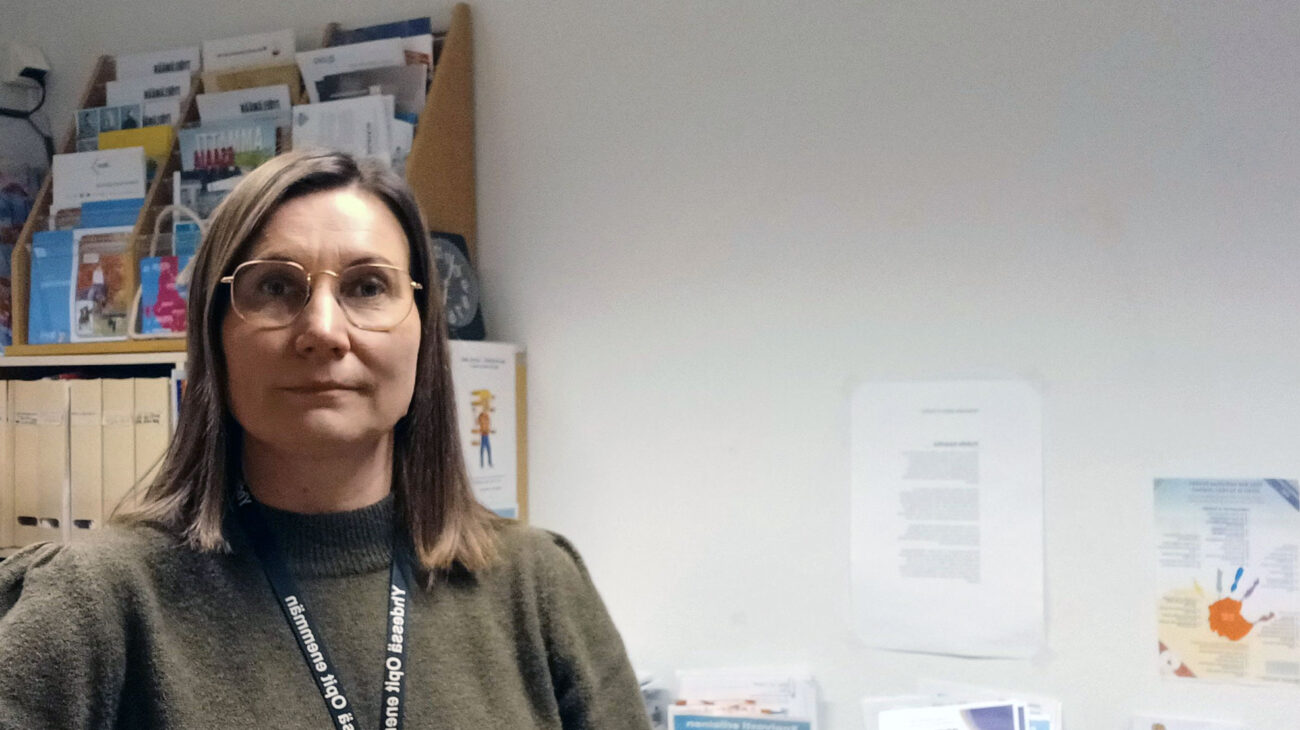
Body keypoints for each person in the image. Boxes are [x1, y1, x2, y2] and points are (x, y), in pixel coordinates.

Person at [0, 150, 651, 729]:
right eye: (276, 287)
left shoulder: (538, 587)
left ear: (423, 334)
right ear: (214, 336)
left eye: (368, 287)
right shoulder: (98, 602)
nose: (323, 331)